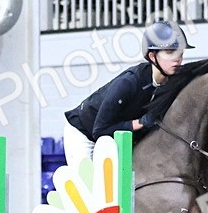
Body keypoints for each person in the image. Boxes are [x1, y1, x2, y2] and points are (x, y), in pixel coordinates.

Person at [62, 19, 194, 161]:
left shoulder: (171, 83)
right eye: (169, 52)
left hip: (119, 138)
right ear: (152, 56)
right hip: (85, 133)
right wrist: (141, 123)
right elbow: (100, 131)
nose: (177, 59)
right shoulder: (129, 82)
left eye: (180, 53)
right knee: (90, 181)